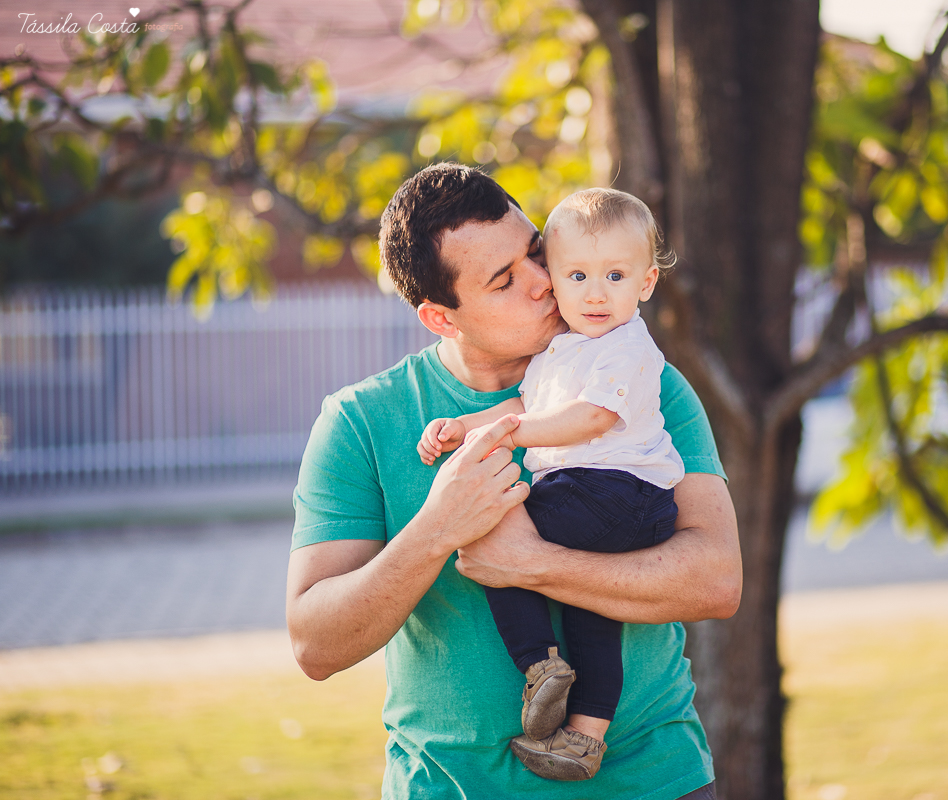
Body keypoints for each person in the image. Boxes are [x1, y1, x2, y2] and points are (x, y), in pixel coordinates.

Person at [285, 162, 740, 800]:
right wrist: (437, 529)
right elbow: (314, 646)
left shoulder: (643, 382)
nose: (544, 284)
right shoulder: (362, 422)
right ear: (442, 318)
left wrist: (532, 563)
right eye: (504, 280)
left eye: (536, 254)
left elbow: (717, 580)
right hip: (450, 787)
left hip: (649, 781)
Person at [416, 188, 684, 781]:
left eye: (616, 275)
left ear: (646, 283)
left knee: (493, 531)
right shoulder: (564, 349)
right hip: (602, 499)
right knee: (596, 613)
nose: (595, 293)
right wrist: (463, 426)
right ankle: (583, 739)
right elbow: (524, 400)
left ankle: (540, 664)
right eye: (576, 275)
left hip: (621, 494)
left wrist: (511, 434)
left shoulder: (628, 347)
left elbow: (590, 418)